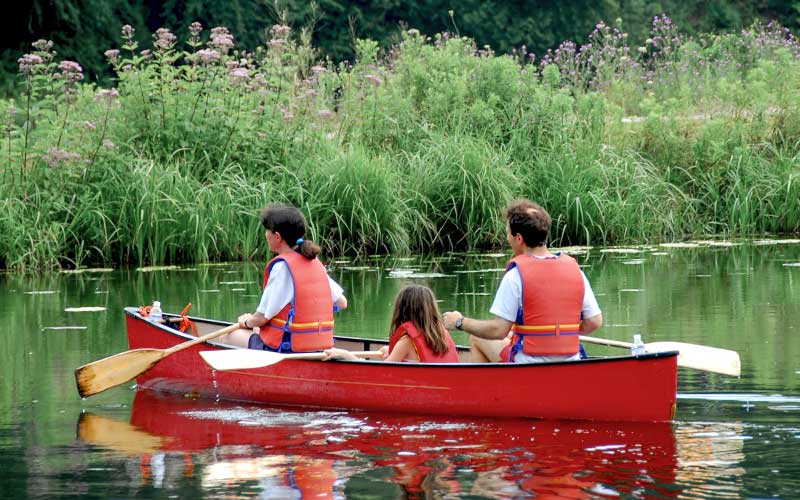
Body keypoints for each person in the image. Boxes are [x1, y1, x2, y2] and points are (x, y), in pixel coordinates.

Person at [443, 199, 602, 363]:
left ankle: (486, 388)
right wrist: (561, 338)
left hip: (528, 362)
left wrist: (460, 322)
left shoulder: (515, 276)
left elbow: (498, 330)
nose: (507, 238)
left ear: (518, 238)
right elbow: (594, 321)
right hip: (571, 360)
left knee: (477, 339)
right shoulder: (576, 271)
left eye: (508, 234)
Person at [219, 203, 348, 352]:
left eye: (267, 230)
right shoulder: (314, 263)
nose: (265, 234)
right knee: (257, 331)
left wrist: (246, 322)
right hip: (320, 348)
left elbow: (261, 318)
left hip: (288, 349)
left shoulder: (282, 268)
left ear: (277, 236)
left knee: (228, 337)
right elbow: (342, 302)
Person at [323, 284, 459, 363]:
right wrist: (392, 351)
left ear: (402, 310)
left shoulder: (406, 341)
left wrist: (346, 355)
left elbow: (379, 372)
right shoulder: (440, 334)